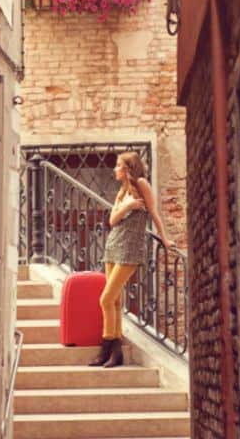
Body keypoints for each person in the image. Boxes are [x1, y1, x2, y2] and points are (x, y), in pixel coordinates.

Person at [88, 150, 172, 368]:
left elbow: (153, 212)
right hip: (113, 245)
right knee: (114, 301)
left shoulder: (142, 183)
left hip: (130, 248)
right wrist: (128, 206)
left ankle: (107, 347)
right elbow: (112, 220)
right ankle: (115, 354)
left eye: (118, 165)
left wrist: (165, 238)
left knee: (105, 299)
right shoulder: (122, 192)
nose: (114, 169)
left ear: (128, 169)